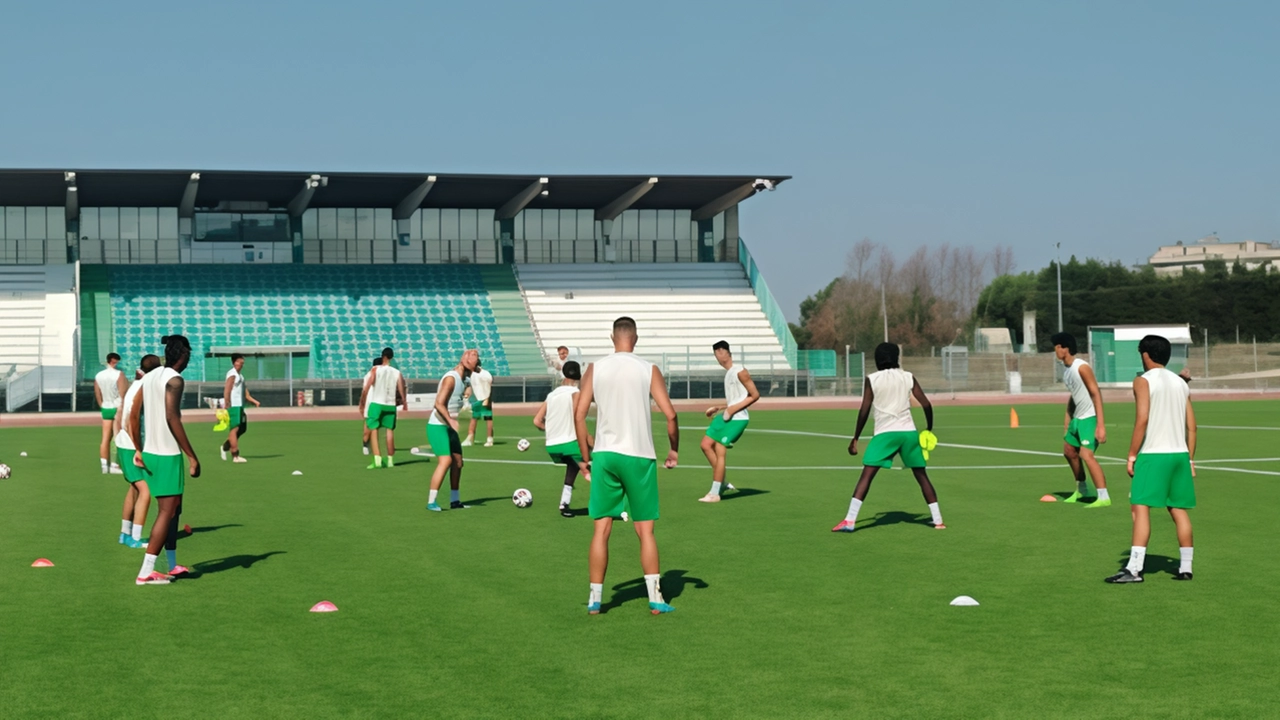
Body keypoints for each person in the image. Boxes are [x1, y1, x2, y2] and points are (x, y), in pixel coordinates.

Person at [575, 317, 679, 615]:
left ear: (612, 338)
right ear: (636, 338)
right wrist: (673, 449)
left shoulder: (595, 368)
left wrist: (586, 458)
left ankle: (595, 599)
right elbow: (670, 415)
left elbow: (580, 414)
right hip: (639, 455)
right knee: (645, 530)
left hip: (605, 455)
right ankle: (656, 599)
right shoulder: (648, 369)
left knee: (601, 529)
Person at [1106, 335, 1198, 583]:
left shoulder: (1142, 381)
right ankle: (1185, 568)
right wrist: (1190, 459)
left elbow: (1142, 419)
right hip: (1179, 455)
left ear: (1145, 354)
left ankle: (1134, 569)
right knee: (1178, 509)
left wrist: (1132, 454)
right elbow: (1192, 427)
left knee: (1140, 507)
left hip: (1154, 454)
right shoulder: (1182, 384)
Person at [834, 343, 944, 533]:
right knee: (921, 475)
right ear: (897, 358)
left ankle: (849, 521)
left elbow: (864, 409)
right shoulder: (908, 376)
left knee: (867, 475)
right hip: (909, 433)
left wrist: (856, 438)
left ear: (877, 359)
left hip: (885, 433)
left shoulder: (872, 379)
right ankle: (938, 520)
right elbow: (926, 404)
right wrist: (928, 429)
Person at [128, 335, 200, 585]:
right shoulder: (175, 380)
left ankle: (172, 564)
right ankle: (145, 572)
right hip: (167, 455)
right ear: (183, 354)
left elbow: (133, 415)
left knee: (174, 509)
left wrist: (139, 448)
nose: (190, 358)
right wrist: (192, 456)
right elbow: (173, 418)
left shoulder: (149, 377)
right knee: (167, 512)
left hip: (150, 453)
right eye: (189, 354)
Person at [1051, 332, 1111, 508]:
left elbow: (1095, 393)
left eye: (1057, 346)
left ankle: (1103, 496)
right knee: (1069, 451)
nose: (1055, 350)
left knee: (1086, 455)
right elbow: (1074, 396)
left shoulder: (1081, 367)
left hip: (1089, 418)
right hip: (1077, 419)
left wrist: (1100, 425)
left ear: (1065, 348)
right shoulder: (1067, 371)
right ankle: (1082, 490)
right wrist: (1068, 419)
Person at [698, 341, 760, 503]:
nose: (717, 357)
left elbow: (754, 395)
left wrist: (732, 410)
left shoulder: (741, 371)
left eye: (718, 352)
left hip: (738, 419)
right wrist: (720, 407)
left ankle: (715, 493)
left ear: (725, 352)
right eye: (715, 354)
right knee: (705, 444)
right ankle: (722, 482)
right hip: (727, 415)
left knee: (719, 448)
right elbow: (736, 400)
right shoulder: (729, 373)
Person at [116, 355, 161, 549]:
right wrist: (138, 448)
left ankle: (125, 534)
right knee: (146, 490)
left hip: (123, 442)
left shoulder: (135, 385)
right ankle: (135, 537)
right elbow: (133, 419)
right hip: (130, 445)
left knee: (134, 488)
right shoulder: (143, 387)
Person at [426, 349, 478, 511]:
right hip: (438, 425)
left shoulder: (464, 379)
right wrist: (451, 421)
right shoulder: (451, 378)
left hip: (449, 427)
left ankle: (455, 501)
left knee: (458, 462)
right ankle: (431, 501)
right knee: (446, 461)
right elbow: (439, 403)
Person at [533, 360, 585, 518]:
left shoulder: (552, 394)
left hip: (552, 446)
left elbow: (536, 421)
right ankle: (609, 507)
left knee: (573, 465)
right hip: (569, 444)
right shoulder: (576, 393)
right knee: (596, 464)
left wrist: (552, 431)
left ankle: (565, 503)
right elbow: (578, 418)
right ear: (578, 377)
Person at [362, 347, 407, 469]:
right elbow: (401, 387)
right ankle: (391, 460)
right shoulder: (396, 372)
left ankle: (377, 459)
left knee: (373, 429)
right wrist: (404, 401)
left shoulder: (375, 370)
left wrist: (362, 402)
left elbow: (367, 386)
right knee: (389, 431)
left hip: (376, 403)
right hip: (390, 404)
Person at [220, 353, 260, 463]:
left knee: (242, 428)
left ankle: (225, 446)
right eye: (238, 362)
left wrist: (254, 401)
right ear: (234, 362)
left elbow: (246, 393)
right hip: (234, 405)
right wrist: (227, 403)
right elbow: (227, 389)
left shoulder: (240, 376)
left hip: (240, 405)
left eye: (242, 362)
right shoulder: (232, 374)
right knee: (234, 429)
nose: (240, 364)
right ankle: (235, 455)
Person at [94, 353, 129, 474]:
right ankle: (115, 464)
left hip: (106, 406)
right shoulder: (119, 375)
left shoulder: (99, 375)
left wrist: (102, 405)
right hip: (117, 406)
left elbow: (97, 393)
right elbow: (123, 392)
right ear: (115, 361)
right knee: (117, 437)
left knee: (105, 438)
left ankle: (104, 465)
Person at [461, 360, 495, 448]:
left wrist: (487, 399)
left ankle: (489, 439)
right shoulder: (472, 374)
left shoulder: (485, 374)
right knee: (474, 418)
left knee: (488, 418)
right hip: (477, 400)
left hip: (484, 399)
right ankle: (470, 439)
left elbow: (490, 387)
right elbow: (472, 387)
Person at [360, 356, 383, 455]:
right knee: (370, 425)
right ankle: (366, 443)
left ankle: (368, 444)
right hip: (372, 402)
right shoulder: (370, 375)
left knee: (373, 425)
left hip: (377, 402)